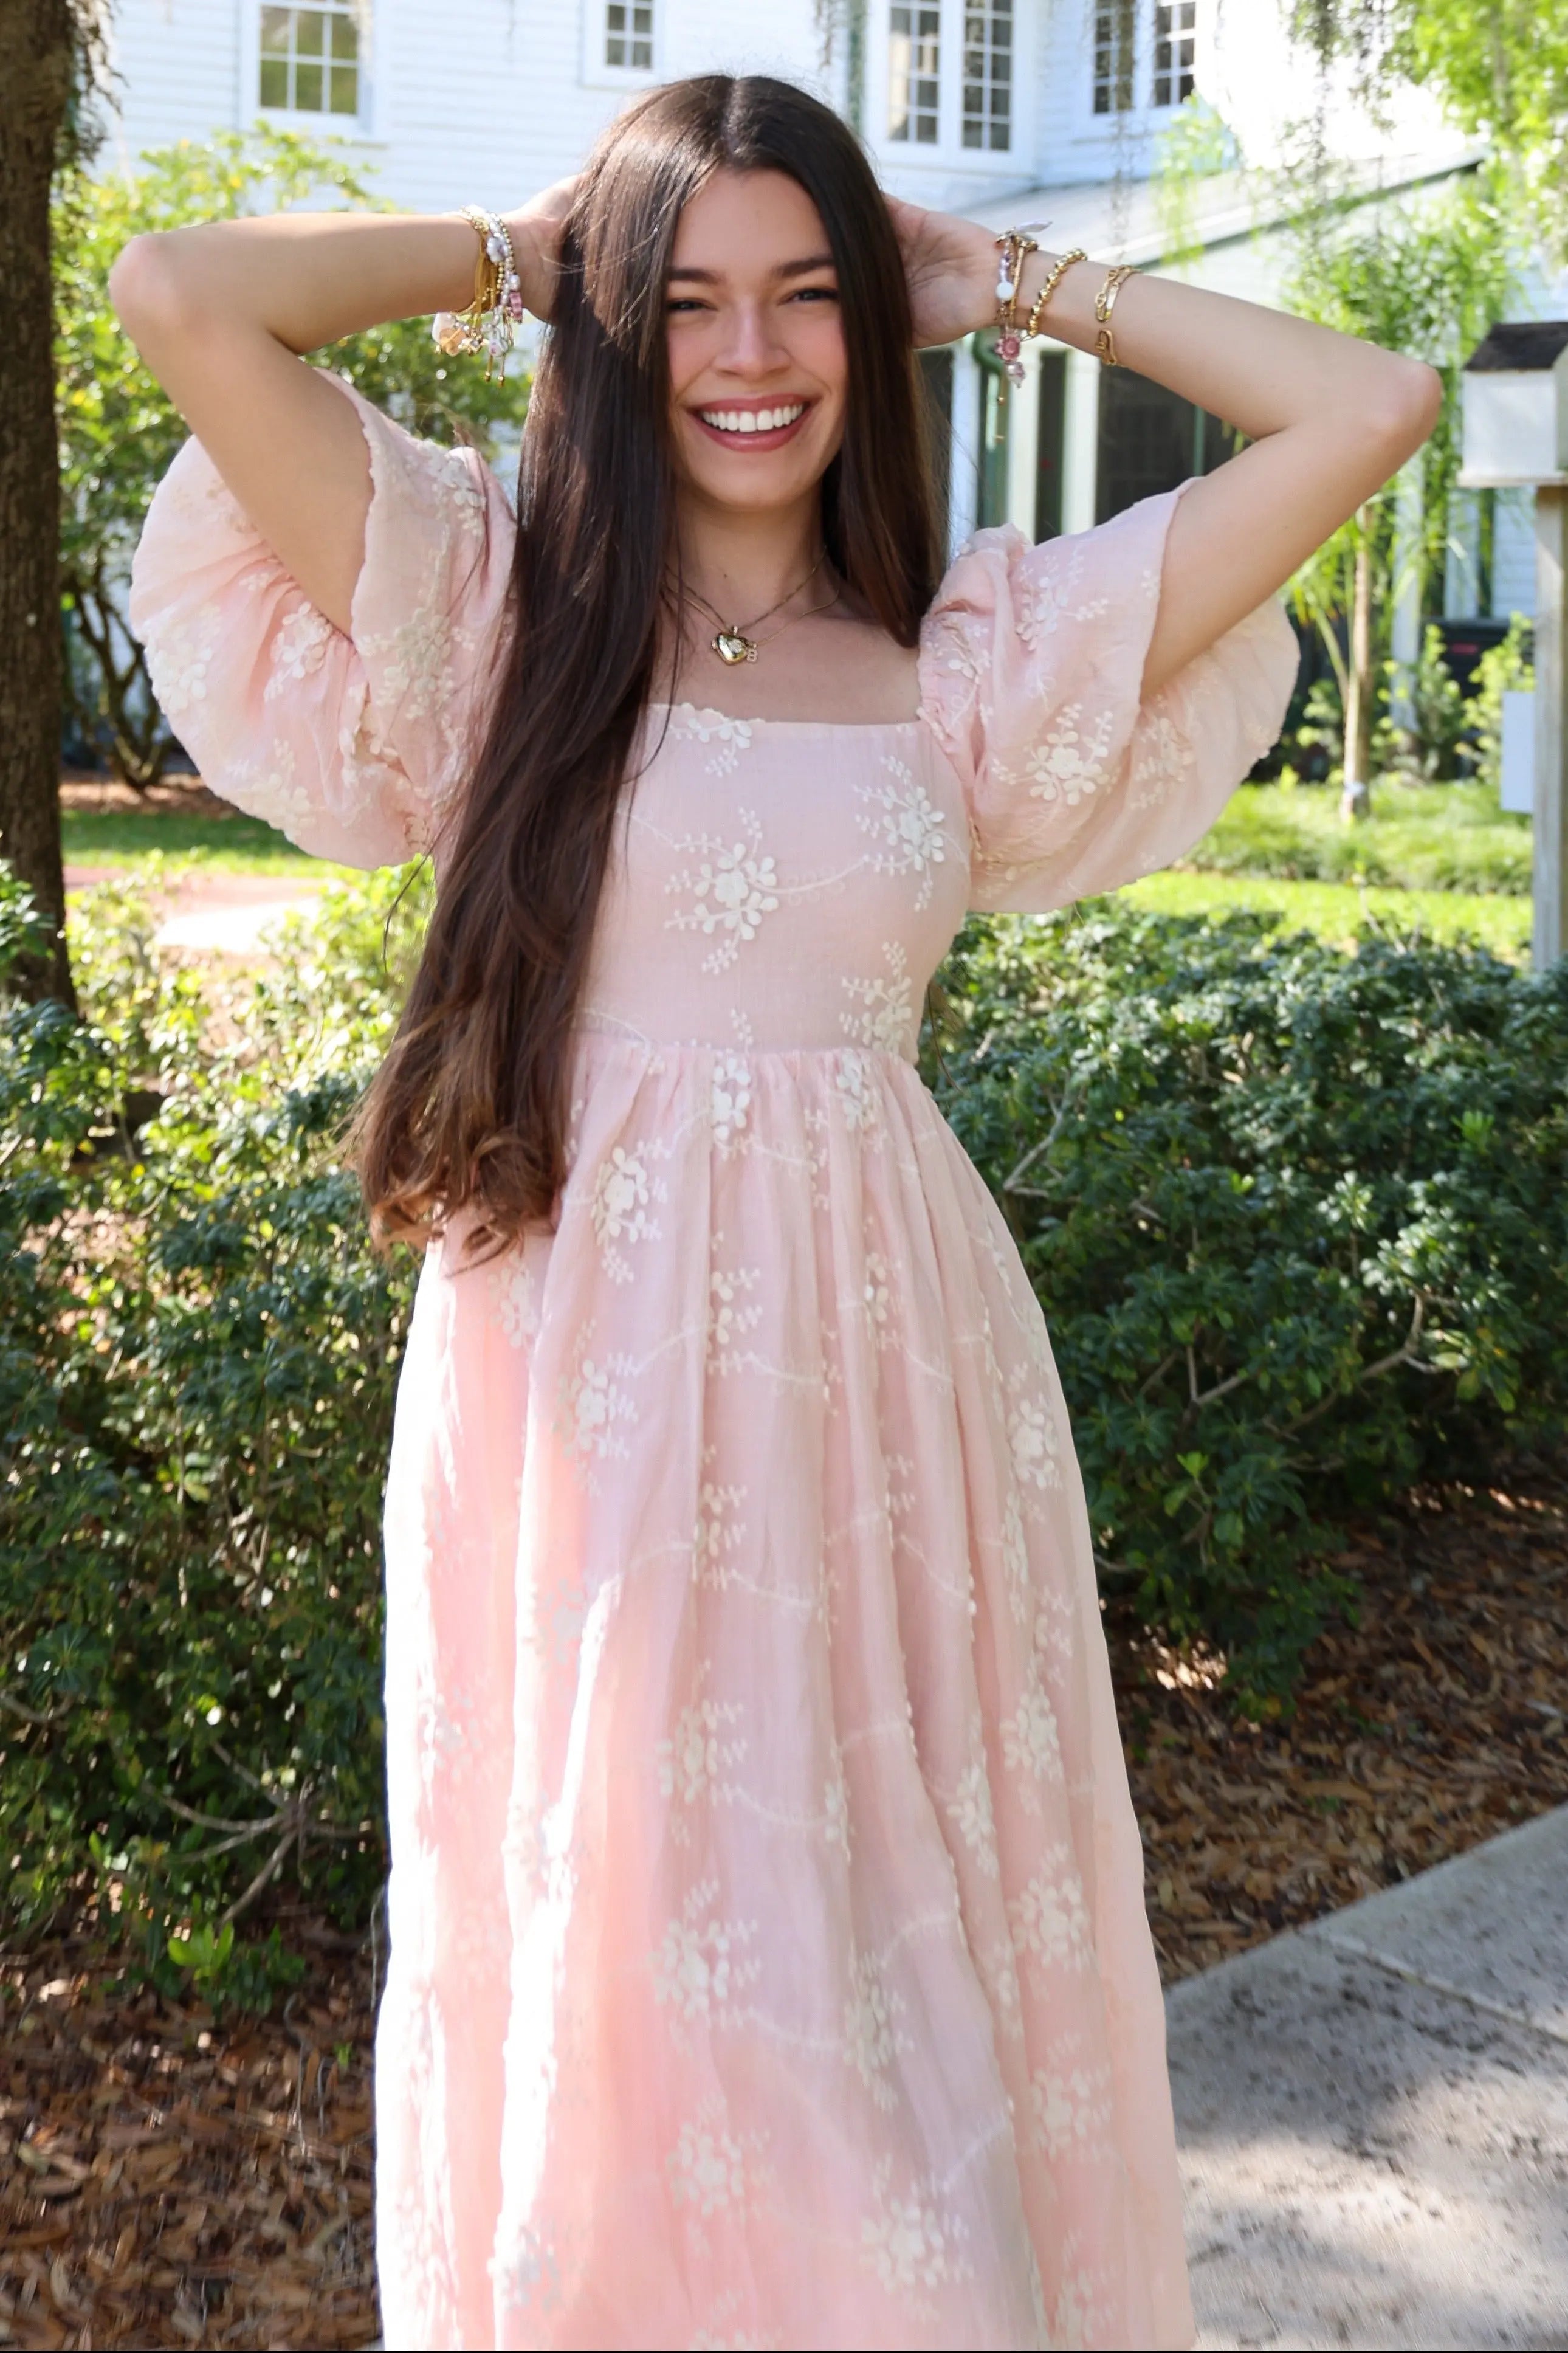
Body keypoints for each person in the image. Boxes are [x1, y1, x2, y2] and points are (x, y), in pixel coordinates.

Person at [112, 72, 1436, 2351]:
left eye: (807, 299)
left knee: (882, 1995)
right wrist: (519, 252)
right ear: (620, 333)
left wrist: (1008, 275)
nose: (751, 355)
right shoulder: (486, 599)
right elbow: (181, 296)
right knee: (627, 1967)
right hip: (574, 1404)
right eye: (694, 301)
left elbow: (1374, 400)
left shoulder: (973, 659)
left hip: (887, 1403)